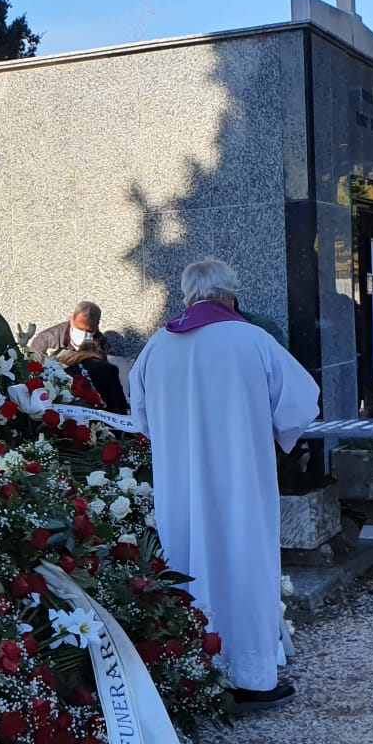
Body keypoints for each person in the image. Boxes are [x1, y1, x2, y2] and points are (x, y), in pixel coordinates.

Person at [128, 259, 321, 708]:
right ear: (230, 295)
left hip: (182, 487)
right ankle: (252, 674)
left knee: (188, 565)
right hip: (241, 483)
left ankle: (193, 668)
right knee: (244, 566)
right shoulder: (251, 339)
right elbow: (299, 404)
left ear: (187, 297)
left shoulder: (157, 347)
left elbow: (141, 417)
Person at [56, 332, 128, 413]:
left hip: (66, 412)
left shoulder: (65, 364)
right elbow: (119, 402)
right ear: (101, 352)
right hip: (98, 418)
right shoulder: (108, 368)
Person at [29, 301, 105, 360]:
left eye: (89, 331)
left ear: (96, 326)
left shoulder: (101, 341)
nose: (84, 335)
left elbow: (113, 369)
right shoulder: (46, 339)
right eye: (80, 329)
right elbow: (33, 372)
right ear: (71, 320)